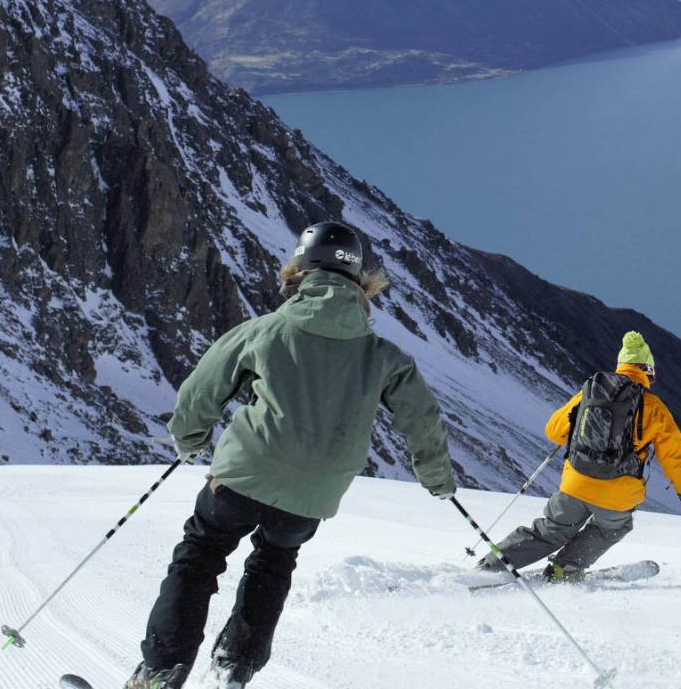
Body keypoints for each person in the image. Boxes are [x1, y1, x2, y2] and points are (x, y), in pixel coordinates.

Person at [128, 222, 457, 689]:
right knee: (274, 562)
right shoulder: (383, 355)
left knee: (199, 556)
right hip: (314, 493)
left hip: (244, 475)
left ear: (299, 270)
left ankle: (160, 673)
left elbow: (203, 389)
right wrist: (437, 478)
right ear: (361, 283)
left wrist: (190, 439)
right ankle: (233, 669)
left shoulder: (264, 330)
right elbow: (422, 419)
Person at [477, 331, 681, 582]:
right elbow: (674, 458)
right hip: (617, 493)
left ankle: (490, 568)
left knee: (552, 530)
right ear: (648, 371)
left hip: (577, 482)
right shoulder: (653, 407)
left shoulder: (591, 392)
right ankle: (566, 568)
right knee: (612, 528)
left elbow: (554, 429)